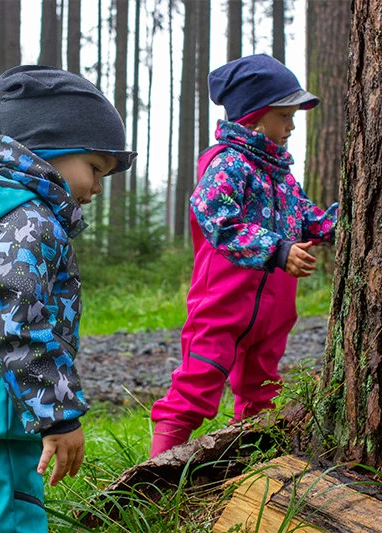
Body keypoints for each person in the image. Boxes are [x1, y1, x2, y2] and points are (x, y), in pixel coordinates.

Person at [0, 65, 136, 532]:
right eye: (95, 169)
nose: (97, 188)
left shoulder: (5, 213)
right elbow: (18, 326)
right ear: (50, 152)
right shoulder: (25, 223)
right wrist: (58, 416)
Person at [149, 54, 338, 458]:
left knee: (261, 390)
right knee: (196, 386)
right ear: (255, 116)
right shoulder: (227, 164)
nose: (291, 126)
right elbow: (217, 219)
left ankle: (245, 464)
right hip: (222, 305)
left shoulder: (281, 173)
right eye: (284, 116)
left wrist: (343, 222)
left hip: (274, 311)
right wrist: (279, 250)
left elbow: (306, 217)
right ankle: (154, 474)